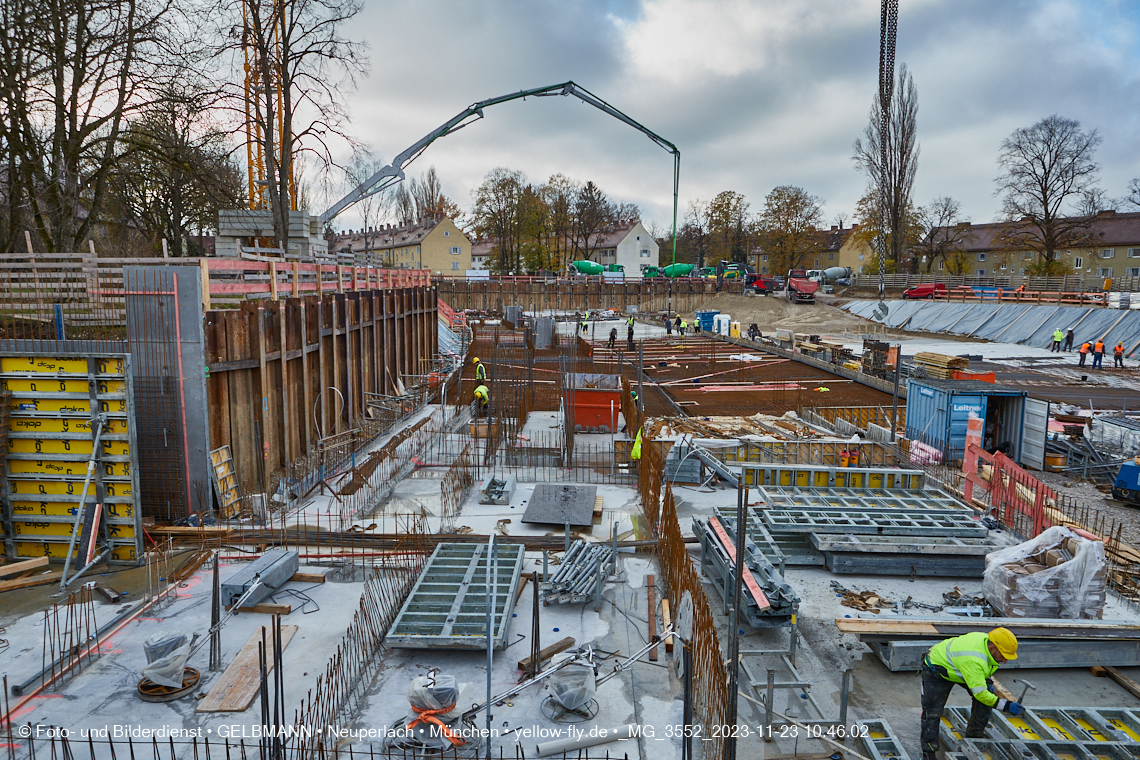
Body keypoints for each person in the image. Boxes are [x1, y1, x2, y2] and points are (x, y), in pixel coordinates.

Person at [920, 628, 1021, 760]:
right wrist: (1005, 705)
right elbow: (981, 695)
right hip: (937, 669)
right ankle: (929, 753)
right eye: (1004, 656)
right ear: (992, 648)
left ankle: (974, 736)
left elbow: (981, 680)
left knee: (988, 693)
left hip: (961, 666)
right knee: (931, 713)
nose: (1006, 661)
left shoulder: (986, 643)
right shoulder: (974, 660)